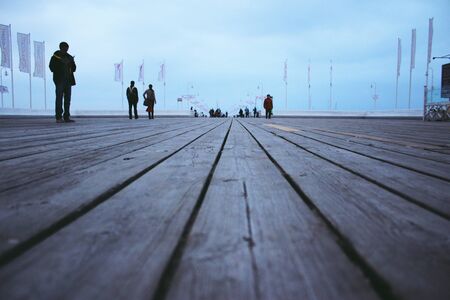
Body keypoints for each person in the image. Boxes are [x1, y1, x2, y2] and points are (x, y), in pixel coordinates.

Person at [49, 42, 76, 123]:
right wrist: (60, 66)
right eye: (64, 47)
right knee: (59, 98)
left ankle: (66, 117)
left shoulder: (69, 57)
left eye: (67, 48)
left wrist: (72, 62)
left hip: (68, 81)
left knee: (67, 99)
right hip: (59, 80)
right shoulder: (55, 57)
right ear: (61, 47)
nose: (66, 49)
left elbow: (74, 69)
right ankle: (58, 117)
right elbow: (51, 67)